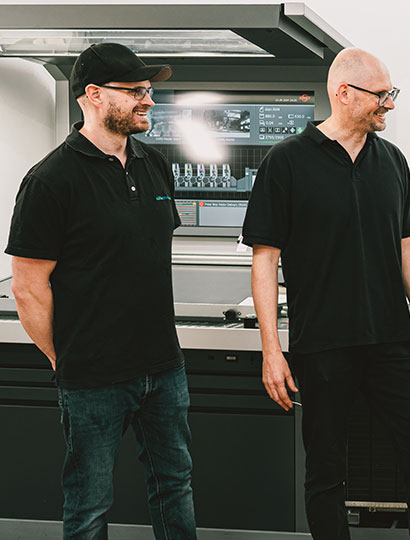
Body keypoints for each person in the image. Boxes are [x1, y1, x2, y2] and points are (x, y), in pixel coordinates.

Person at [242, 48, 410, 540]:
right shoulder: (286, 161)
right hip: (323, 346)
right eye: (382, 96)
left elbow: (408, 245)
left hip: (391, 343)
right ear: (343, 93)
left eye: (390, 94)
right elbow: (264, 259)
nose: (389, 105)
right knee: (326, 474)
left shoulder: (391, 160)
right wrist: (272, 350)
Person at [6, 43, 196, 539]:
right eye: (135, 91)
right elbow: (28, 289)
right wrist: (66, 359)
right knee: (89, 502)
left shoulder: (154, 166)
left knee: (174, 486)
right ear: (92, 95)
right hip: (93, 378)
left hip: (164, 368)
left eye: (149, 90)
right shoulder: (50, 180)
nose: (148, 100)